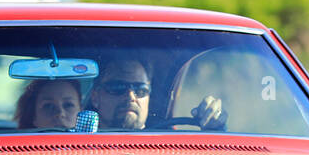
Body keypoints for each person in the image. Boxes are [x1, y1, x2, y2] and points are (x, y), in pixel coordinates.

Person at [88, 59, 225, 130]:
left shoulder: (172, 147)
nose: (130, 97)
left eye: (140, 89)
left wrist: (216, 127)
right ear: (95, 97)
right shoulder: (77, 144)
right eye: (118, 87)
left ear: (149, 96)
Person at [15, 78, 83, 129]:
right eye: (49, 106)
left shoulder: (92, 146)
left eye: (68, 105)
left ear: (81, 111)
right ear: (33, 116)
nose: (60, 114)